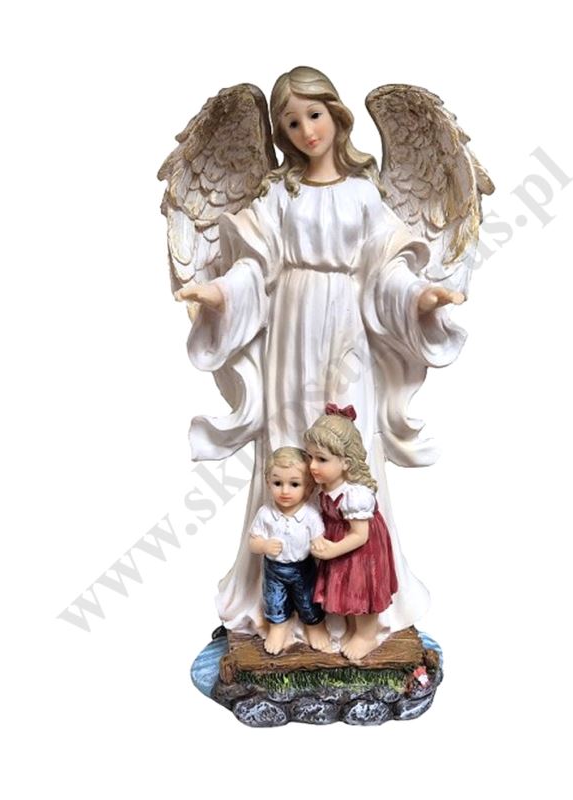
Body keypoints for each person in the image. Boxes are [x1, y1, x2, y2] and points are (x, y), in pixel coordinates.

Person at [179, 66, 467, 645]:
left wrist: (420, 296)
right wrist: (219, 293)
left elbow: (387, 267)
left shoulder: (364, 193)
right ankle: (284, 607)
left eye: (314, 115)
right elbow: (253, 265)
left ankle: (351, 604)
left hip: (347, 327)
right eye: (291, 122)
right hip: (291, 326)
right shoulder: (277, 195)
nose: (306, 130)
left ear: (335, 114)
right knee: (289, 445)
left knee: (346, 449)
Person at [304, 405, 397, 660]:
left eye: (321, 459)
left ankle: (366, 636)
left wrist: (332, 549)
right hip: (342, 546)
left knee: (362, 590)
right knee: (346, 590)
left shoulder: (355, 495)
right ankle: (353, 631)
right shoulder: (326, 488)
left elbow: (360, 535)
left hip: (363, 552)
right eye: (310, 457)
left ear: (346, 462)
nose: (312, 465)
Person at [247, 447, 331, 654]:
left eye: (294, 484)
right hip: (274, 569)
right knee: (274, 599)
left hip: (303, 568)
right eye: (278, 483)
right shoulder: (266, 513)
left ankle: (314, 626)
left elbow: (318, 538)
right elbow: (252, 542)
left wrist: (319, 544)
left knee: (308, 599)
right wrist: (263, 545)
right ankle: (278, 628)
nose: (285, 491)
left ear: (308, 487)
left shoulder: (310, 515)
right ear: (268, 482)